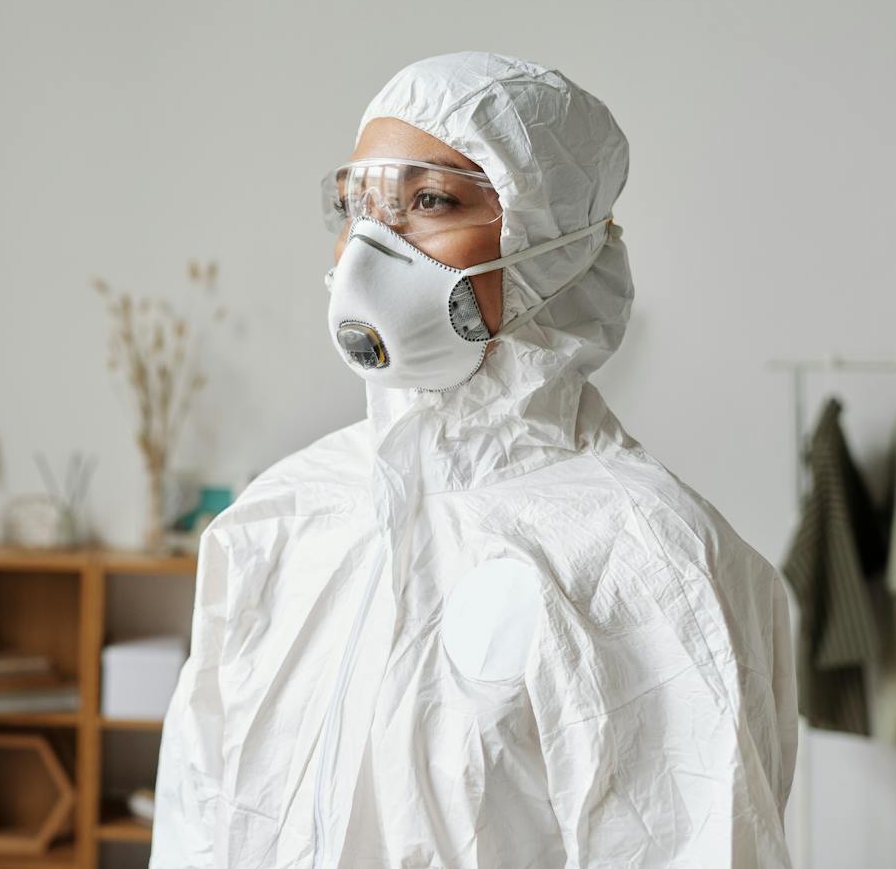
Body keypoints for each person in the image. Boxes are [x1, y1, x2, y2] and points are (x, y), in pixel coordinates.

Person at [149, 52, 797, 869]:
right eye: (357, 207)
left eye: (428, 201)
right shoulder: (281, 518)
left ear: (550, 245)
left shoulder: (648, 557)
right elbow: (196, 822)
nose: (371, 251)